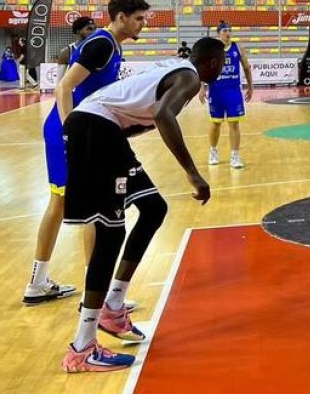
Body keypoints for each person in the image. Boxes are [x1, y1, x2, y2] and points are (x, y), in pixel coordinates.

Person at [60, 37, 223, 373]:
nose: (223, 68)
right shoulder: (190, 77)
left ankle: (113, 307)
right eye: (221, 62)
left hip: (101, 129)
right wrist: (193, 174)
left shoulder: (176, 69)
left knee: (153, 208)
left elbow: (137, 115)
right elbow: (164, 115)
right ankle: (82, 348)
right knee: (110, 234)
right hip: (96, 127)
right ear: (211, 62)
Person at [25, 9, 131, 306]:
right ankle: (94, 293)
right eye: (139, 18)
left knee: (60, 204)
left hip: (70, 128)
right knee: (94, 208)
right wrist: (71, 128)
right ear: (122, 17)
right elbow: (63, 86)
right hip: (70, 129)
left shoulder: (108, 44)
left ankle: (38, 283)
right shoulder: (103, 44)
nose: (144, 24)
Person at [201, 23, 253, 169]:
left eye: (230, 30)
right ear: (219, 33)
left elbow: (247, 68)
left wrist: (250, 86)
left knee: (234, 124)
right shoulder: (212, 49)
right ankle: (213, 151)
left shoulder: (238, 48)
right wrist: (202, 88)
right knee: (215, 123)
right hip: (216, 90)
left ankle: (235, 156)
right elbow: (204, 69)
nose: (228, 33)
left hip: (233, 91)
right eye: (225, 31)